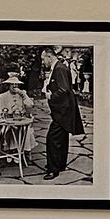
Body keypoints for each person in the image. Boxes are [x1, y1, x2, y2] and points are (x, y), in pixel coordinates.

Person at [43, 46, 85, 179]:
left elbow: (64, 90)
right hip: (63, 110)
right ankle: (60, 164)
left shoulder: (59, 68)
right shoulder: (59, 67)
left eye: (43, 59)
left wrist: (51, 96)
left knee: (52, 139)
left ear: (49, 57)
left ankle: (53, 169)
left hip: (63, 111)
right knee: (61, 138)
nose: (43, 62)